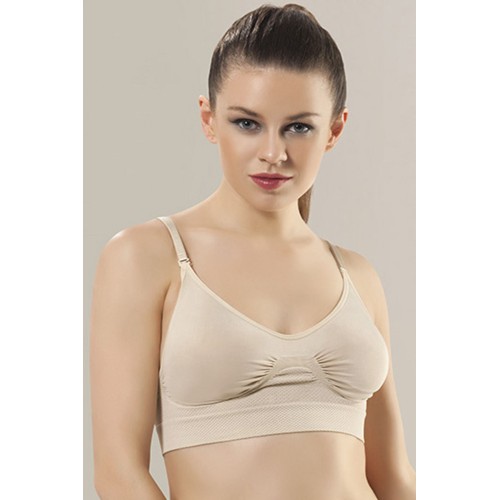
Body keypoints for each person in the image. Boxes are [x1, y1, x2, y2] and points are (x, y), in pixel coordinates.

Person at [90, 3, 416, 499]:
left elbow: (394, 478)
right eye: (247, 123)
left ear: (335, 130)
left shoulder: (357, 276)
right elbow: (118, 476)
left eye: (298, 127)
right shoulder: (147, 258)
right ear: (209, 119)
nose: (273, 153)